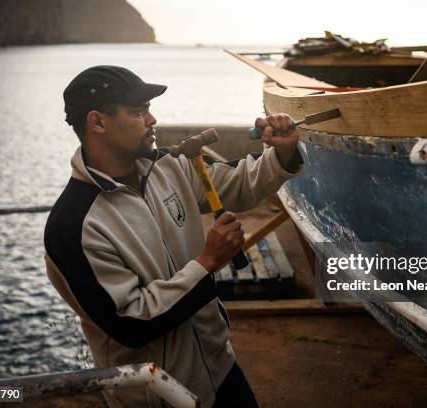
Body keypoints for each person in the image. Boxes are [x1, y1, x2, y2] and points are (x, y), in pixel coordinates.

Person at [43, 65, 303, 408]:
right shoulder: (72, 226)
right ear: (98, 122)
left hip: (220, 365)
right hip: (157, 393)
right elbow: (130, 323)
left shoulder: (166, 166)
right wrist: (207, 262)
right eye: (138, 111)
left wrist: (282, 152)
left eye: (149, 109)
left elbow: (240, 184)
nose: (152, 120)